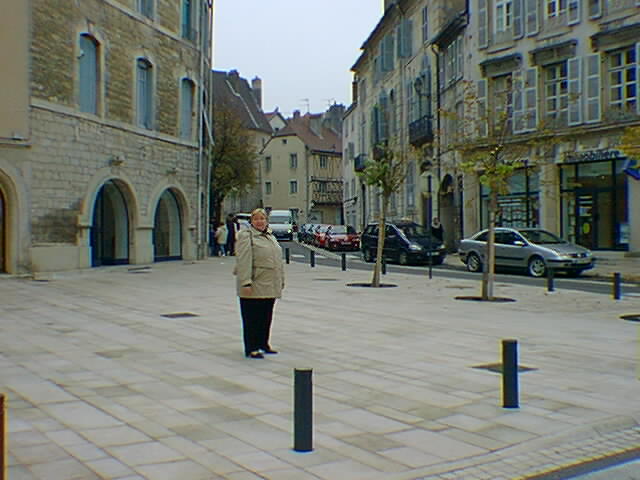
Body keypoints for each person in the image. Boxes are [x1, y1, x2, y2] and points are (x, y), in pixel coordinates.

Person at [234, 208, 284, 359]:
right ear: (251, 222)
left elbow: (278, 261)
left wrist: (281, 280)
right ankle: (252, 347)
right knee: (252, 318)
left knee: (265, 316)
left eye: (262, 219)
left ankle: (263, 343)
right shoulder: (246, 236)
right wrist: (245, 282)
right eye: (256, 219)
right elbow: (243, 261)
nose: (259, 222)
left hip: (270, 283)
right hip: (255, 283)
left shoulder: (270, 236)